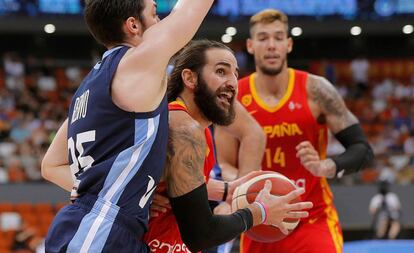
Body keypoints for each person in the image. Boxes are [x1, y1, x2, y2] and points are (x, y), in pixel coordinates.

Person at [40, 0, 217, 252]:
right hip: (99, 232)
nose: (160, 24)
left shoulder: (87, 88)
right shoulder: (136, 63)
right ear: (133, 25)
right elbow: (190, 9)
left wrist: (120, 193)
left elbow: (51, 165)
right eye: (155, 15)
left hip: (90, 225)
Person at [216, 9, 374, 253]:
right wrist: (238, 190)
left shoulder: (317, 90)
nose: (271, 45)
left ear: (288, 44)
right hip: (261, 219)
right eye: (263, 38)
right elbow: (225, 164)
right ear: (250, 45)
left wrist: (326, 166)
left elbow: (363, 150)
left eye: (278, 38)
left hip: (312, 217)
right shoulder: (235, 97)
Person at [143, 40, 313, 253]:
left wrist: (228, 191)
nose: (233, 82)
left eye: (235, 74)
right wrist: (261, 212)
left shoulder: (198, 127)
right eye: (221, 71)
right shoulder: (184, 128)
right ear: (189, 78)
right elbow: (202, 235)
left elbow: (178, 184)